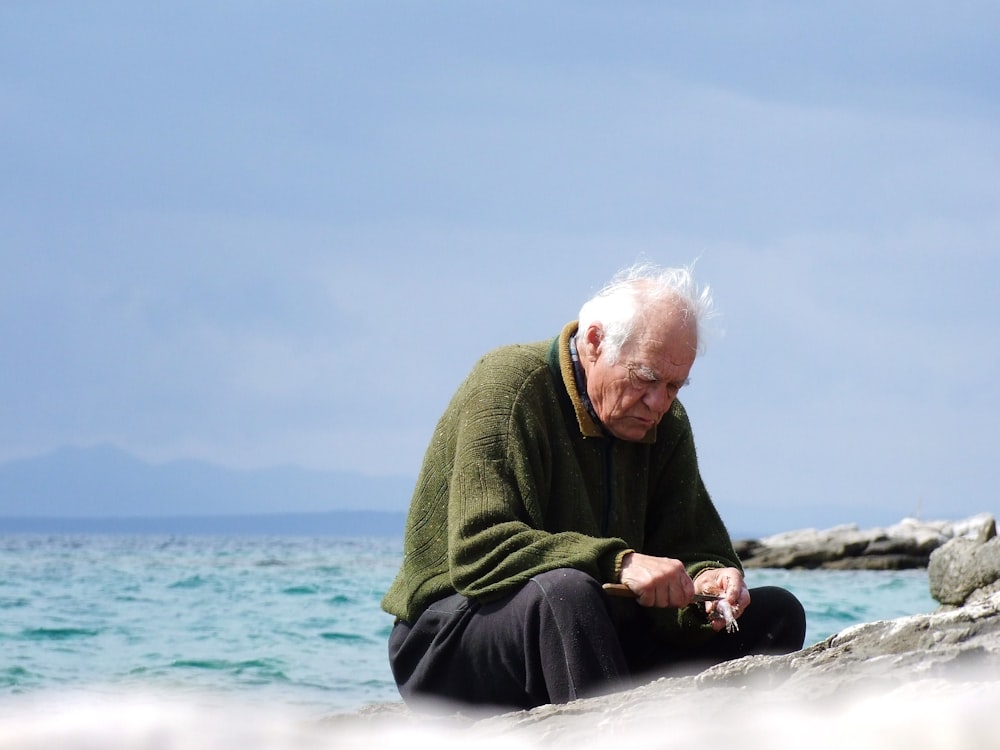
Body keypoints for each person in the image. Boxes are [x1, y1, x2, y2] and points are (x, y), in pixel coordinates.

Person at [381, 262, 806, 714]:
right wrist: (619, 564)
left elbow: (692, 544)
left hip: (595, 635)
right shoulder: (508, 387)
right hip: (454, 641)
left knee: (777, 613)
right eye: (644, 378)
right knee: (567, 592)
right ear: (594, 342)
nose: (658, 403)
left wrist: (710, 581)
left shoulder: (665, 422)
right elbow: (478, 550)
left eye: (674, 386)